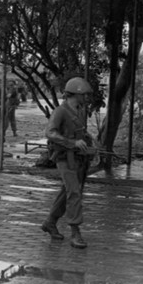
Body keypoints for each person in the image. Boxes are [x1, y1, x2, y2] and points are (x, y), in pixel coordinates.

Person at [41, 77, 93, 249]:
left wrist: (90, 141)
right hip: (64, 157)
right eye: (84, 94)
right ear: (76, 93)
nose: (86, 98)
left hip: (77, 158)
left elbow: (80, 133)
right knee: (74, 193)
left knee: (68, 192)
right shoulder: (60, 111)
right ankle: (75, 232)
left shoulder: (80, 110)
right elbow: (50, 132)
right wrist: (71, 143)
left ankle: (50, 222)